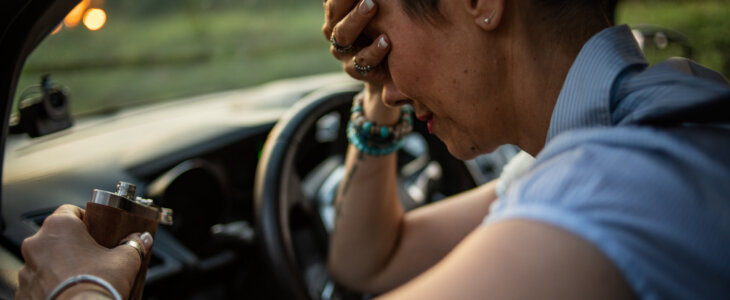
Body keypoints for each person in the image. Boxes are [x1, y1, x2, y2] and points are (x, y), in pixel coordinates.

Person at [16, 0, 730, 299]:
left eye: (376, 30)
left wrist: (88, 289)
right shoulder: (642, 123)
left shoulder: (625, 180)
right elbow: (372, 260)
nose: (377, 75)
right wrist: (375, 105)